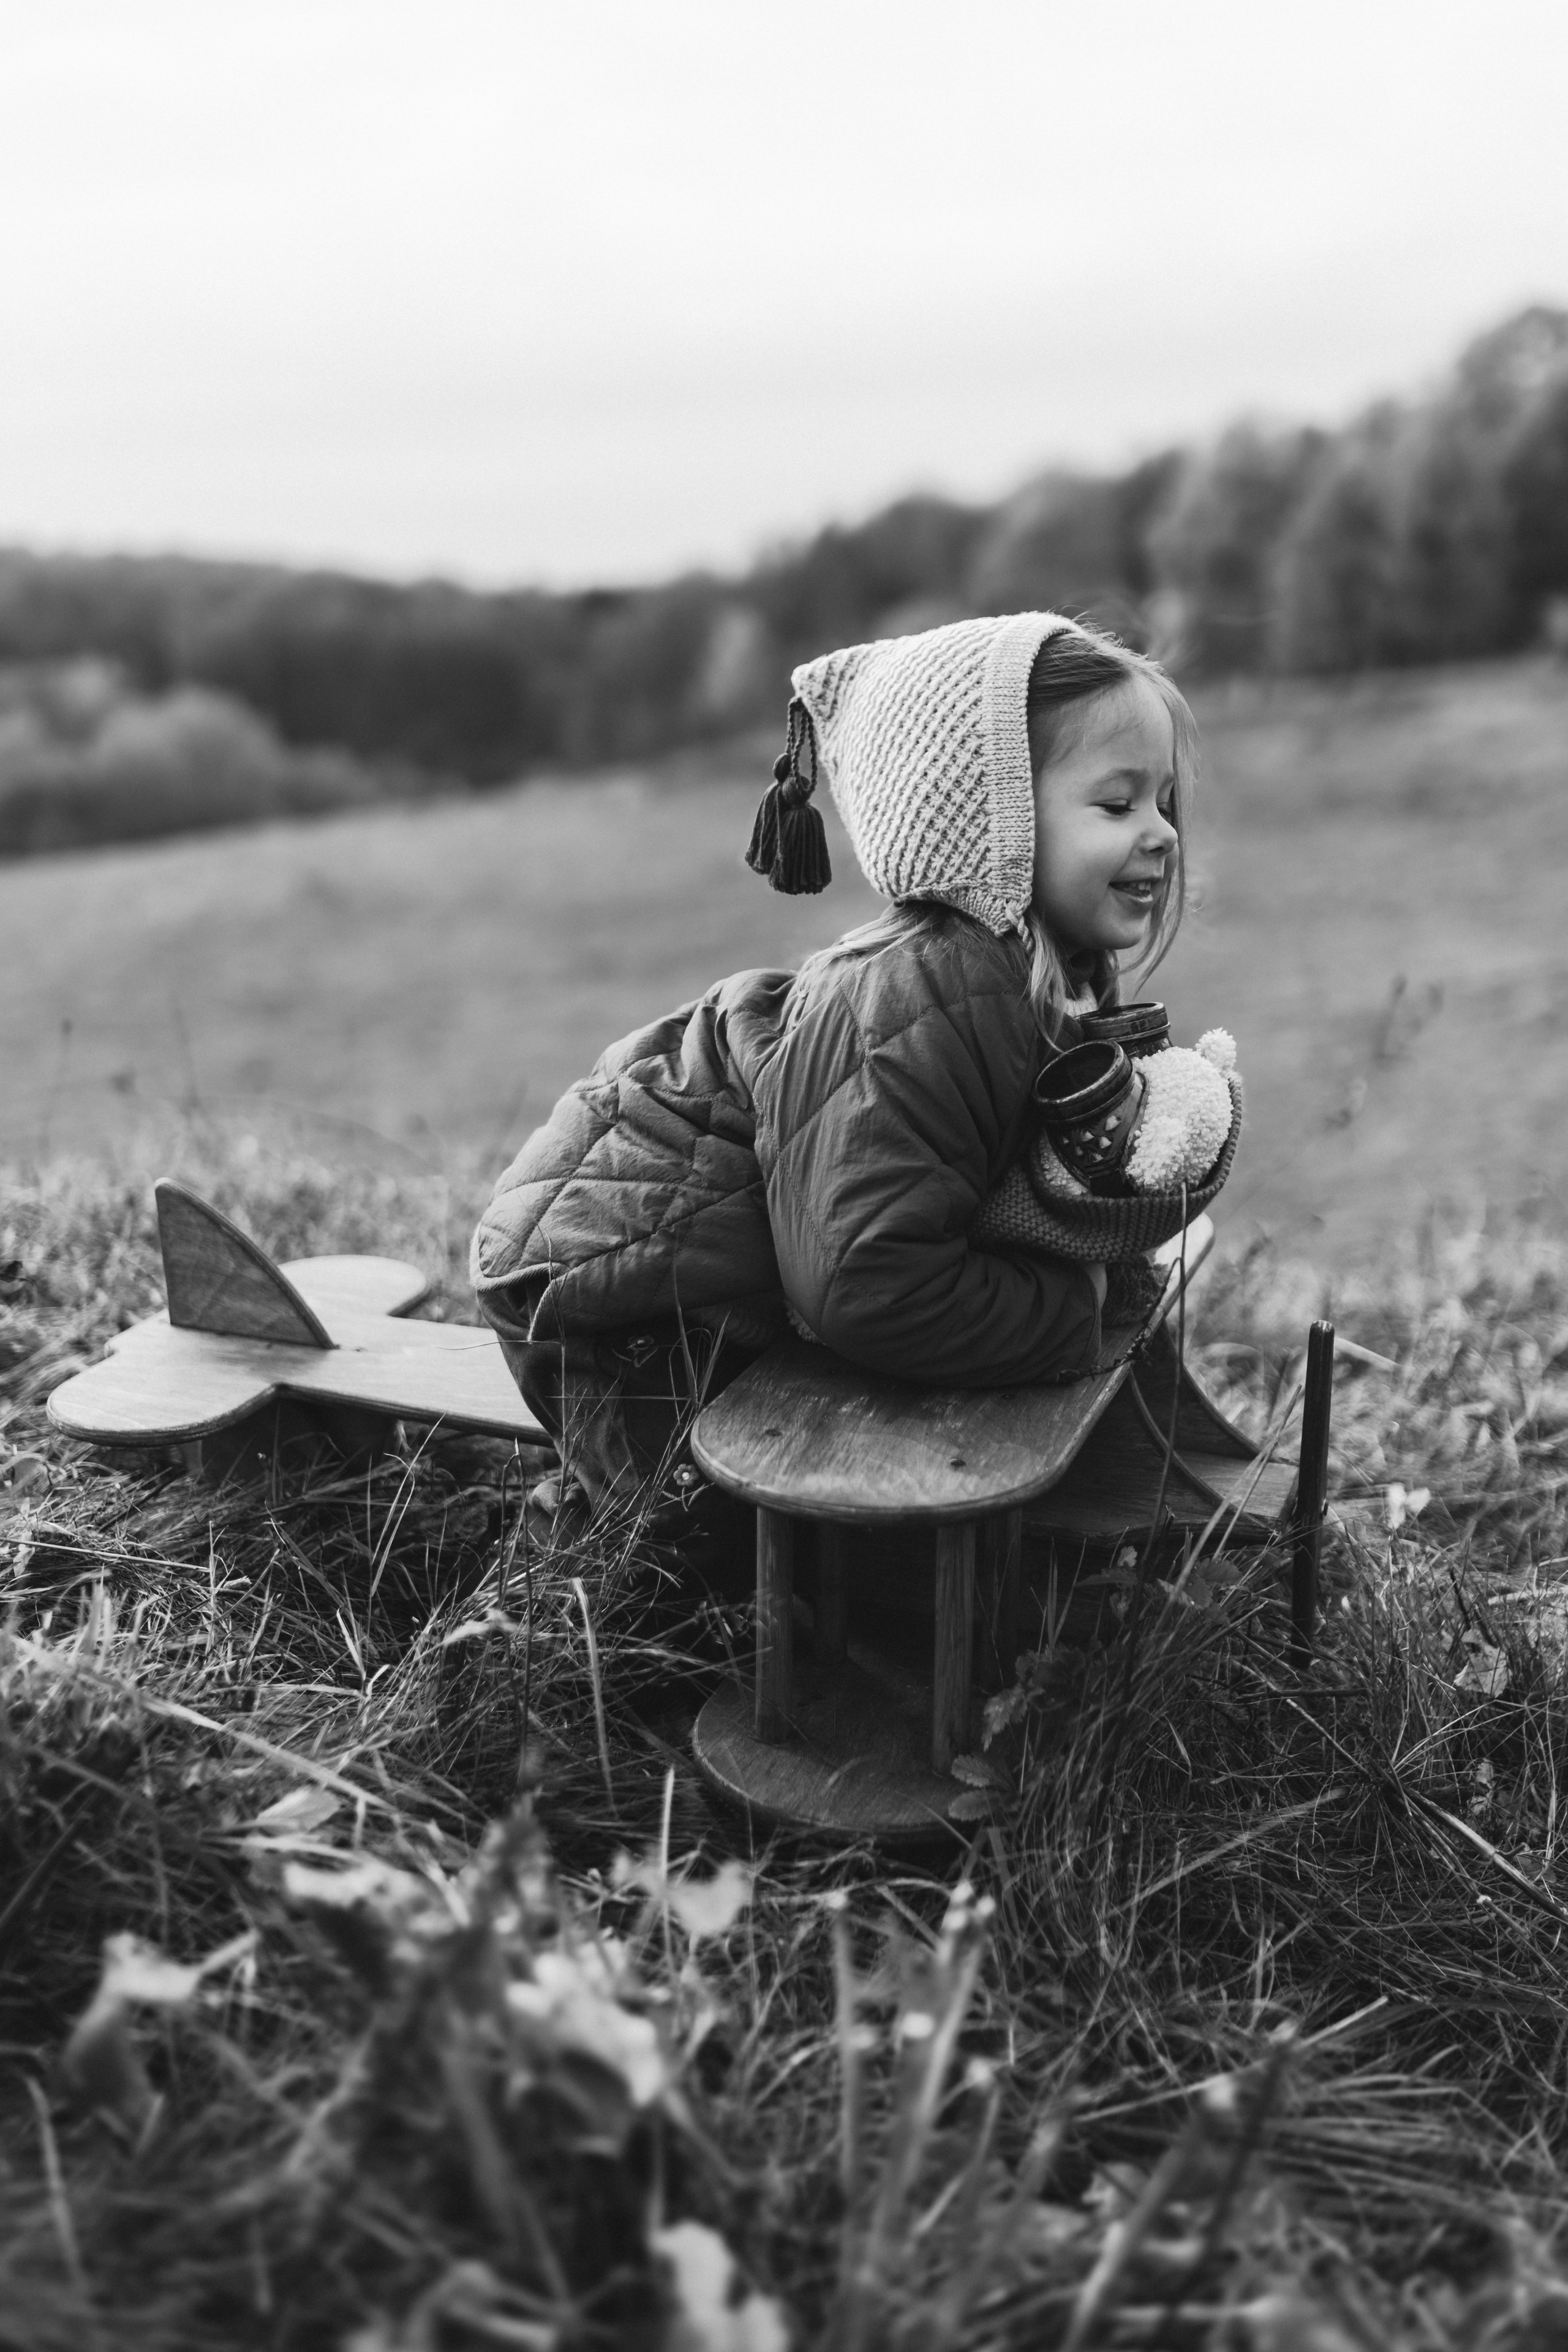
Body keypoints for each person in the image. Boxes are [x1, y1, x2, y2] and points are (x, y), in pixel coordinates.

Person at [471, 611, 1196, 1525]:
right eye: (1117, 803)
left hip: (742, 1261)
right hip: (618, 1295)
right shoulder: (929, 992)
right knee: (709, 1553)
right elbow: (870, 1287)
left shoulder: (1037, 977)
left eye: (1164, 800)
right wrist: (1073, 1304)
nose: (1163, 831)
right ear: (990, 821)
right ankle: (542, 1619)